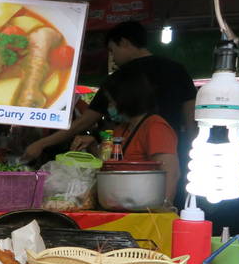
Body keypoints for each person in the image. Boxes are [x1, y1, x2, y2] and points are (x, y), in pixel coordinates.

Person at [23, 21, 195, 162]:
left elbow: (83, 122)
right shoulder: (177, 70)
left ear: (124, 43)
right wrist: (189, 150)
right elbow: (191, 118)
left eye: (112, 51)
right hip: (176, 151)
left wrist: (42, 143)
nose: (113, 58)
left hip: (134, 158)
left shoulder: (120, 79)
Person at [102, 67, 181, 203]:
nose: (109, 106)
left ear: (124, 99)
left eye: (111, 101)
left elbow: (171, 174)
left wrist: (162, 209)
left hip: (146, 208)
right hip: (124, 204)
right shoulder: (121, 129)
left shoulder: (155, 127)